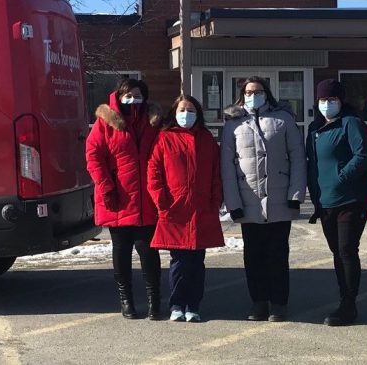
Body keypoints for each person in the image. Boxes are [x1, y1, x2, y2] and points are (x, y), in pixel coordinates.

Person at [221, 77, 306, 322]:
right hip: (248, 202)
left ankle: (279, 303)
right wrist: (233, 203)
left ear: (267, 93)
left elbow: (298, 158)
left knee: (277, 255)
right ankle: (258, 302)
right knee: (253, 256)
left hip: (280, 200)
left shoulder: (284, 120)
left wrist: (295, 195)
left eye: (258, 91)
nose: (253, 95)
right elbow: (227, 167)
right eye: (249, 92)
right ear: (242, 95)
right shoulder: (233, 125)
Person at [85, 78, 164, 320]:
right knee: (121, 250)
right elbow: (93, 155)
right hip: (118, 197)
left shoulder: (153, 121)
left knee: (148, 250)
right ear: (119, 96)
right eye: (128, 95)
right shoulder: (105, 122)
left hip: (146, 198)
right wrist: (106, 187)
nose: (132, 99)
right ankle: (126, 299)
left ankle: (154, 300)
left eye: (137, 95)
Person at [147, 95, 224, 322]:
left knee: (197, 262)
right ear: (174, 112)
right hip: (175, 210)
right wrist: (162, 202)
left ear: (198, 114)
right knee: (179, 261)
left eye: (191, 110)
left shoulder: (207, 139)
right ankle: (177, 304)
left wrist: (215, 200)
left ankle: (194, 305)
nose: (186, 114)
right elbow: (154, 174)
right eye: (182, 109)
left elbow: (215, 173)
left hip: (201, 210)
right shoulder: (164, 139)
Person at [305, 79, 367, 327]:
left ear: (341, 101)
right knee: (337, 252)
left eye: (331, 100)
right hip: (325, 202)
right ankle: (344, 297)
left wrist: (342, 176)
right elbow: (312, 163)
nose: (326, 104)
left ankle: (349, 304)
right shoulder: (314, 129)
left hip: (350, 199)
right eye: (322, 100)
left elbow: (364, 155)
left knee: (346, 251)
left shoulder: (350, 123)